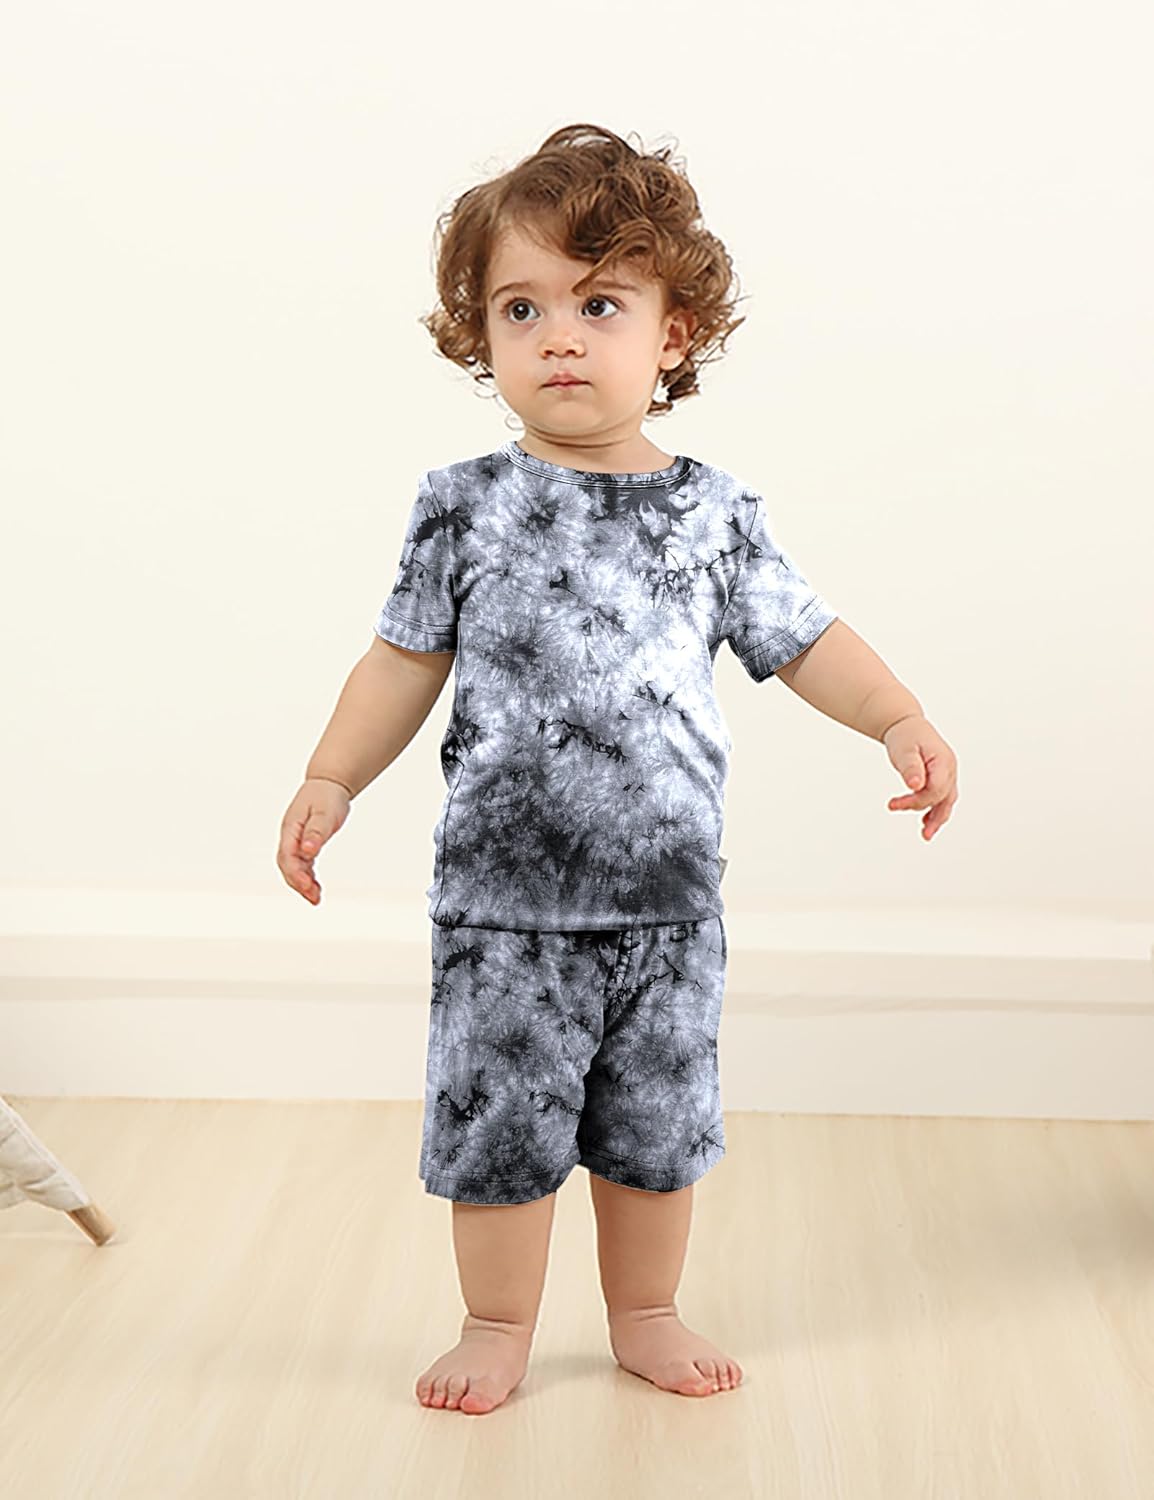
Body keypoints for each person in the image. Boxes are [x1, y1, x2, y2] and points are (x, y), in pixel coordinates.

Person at [276, 124, 959, 1416]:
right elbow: (400, 662)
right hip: (504, 909)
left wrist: (896, 716)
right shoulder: (462, 506)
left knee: (654, 1135)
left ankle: (646, 1310)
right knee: (500, 1133)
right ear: (480, 335)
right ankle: (495, 1322)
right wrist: (331, 777)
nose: (559, 338)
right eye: (521, 309)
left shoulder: (713, 514)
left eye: (599, 305)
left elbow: (806, 639)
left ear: (673, 333)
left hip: (665, 907)